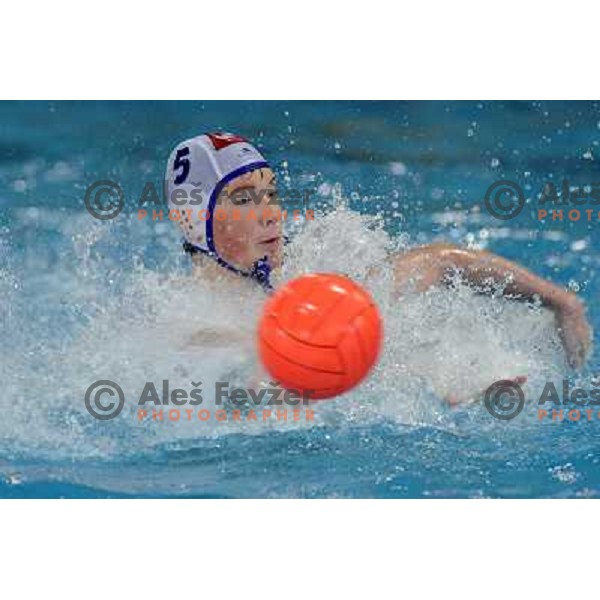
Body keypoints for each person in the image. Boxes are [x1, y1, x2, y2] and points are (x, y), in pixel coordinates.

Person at [165, 132, 592, 382]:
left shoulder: (312, 274)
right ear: (195, 220)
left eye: (271, 194)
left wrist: (561, 301)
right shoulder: (184, 322)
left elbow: (438, 263)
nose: (270, 213)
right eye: (243, 199)